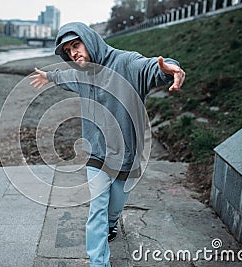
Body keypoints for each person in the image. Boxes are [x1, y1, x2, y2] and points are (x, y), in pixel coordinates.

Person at [29, 22, 185, 267]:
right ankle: (99, 262)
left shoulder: (125, 63)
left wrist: (169, 70)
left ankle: (112, 224)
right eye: (68, 51)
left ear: (89, 40)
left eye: (76, 45)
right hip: (96, 153)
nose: (73, 53)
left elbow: (151, 68)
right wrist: (48, 76)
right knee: (97, 210)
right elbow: (65, 76)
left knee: (114, 207)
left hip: (127, 155)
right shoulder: (81, 72)